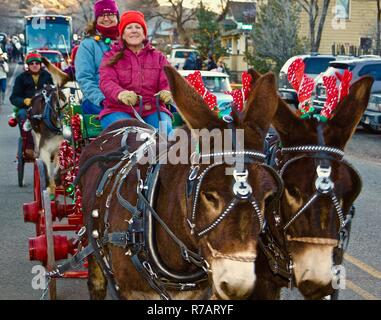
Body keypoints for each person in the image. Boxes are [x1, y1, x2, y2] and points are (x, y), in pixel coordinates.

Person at [99, 10, 173, 135]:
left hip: (153, 110)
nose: (134, 30)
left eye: (138, 27)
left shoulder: (158, 57)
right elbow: (106, 81)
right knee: (131, 136)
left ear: (144, 33)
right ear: (122, 34)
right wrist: (120, 94)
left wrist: (167, 91)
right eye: (129, 27)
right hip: (118, 110)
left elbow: (170, 80)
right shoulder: (111, 56)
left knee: (166, 134)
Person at [75, 0, 120, 114]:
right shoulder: (88, 44)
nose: (106, 18)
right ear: (96, 19)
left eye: (110, 14)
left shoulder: (126, 40)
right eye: (101, 15)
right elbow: (85, 78)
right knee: (120, 118)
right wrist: (102, 100)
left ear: (117, 16)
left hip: (125, 98)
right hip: (96, 100)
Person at [9, 51, 53, 158]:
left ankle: (52, 146)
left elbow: (53, 91)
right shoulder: (21, 78)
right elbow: (14, 97)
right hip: (27, 108)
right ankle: (28, 146)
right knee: (22, 115)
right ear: (28, 65)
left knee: (56, 118)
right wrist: (24, 101)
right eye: (31, 63)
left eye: (37, 63)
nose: (34, 65)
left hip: (44, 106)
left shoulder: (47, 76)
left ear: (40, 64)